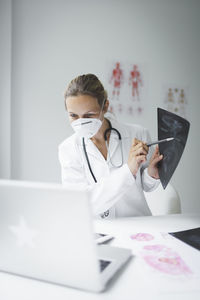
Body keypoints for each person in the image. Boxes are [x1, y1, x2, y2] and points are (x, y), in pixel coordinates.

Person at [58, 74, 163, 219]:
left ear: (105, 106)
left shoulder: (137, 134)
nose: (81, 122)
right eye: (73, 116)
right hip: (97, 233)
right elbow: (81, 203)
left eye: (89, 115)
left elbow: (147, 186)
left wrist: (152, 174)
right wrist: (129, 170)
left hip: (137, 225)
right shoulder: (68, 149)